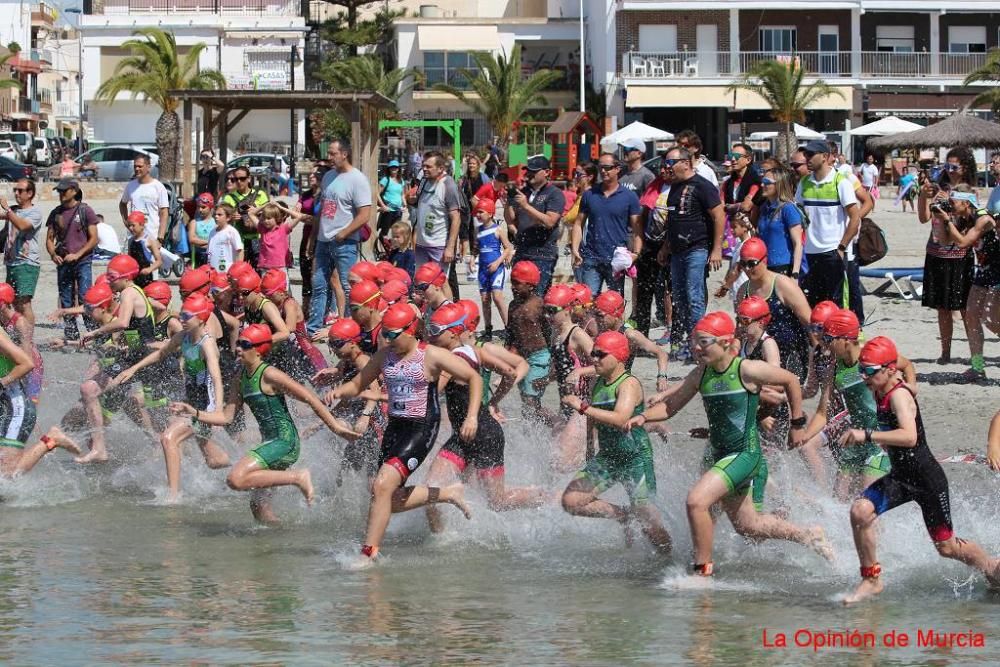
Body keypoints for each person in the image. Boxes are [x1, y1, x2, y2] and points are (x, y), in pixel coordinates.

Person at [631, 312, 833, 576]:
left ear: (726, 342)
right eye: (695, 341)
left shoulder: (745, 369)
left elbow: (791, 380)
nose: (697, 347)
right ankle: (808, 535)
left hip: (743, 455)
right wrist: (643, 417)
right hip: (718, 454)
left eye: (704, 342)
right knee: (748, 526)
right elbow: (671, 406)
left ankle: (702, 571)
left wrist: (796, 425)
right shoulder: (701, 373)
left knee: (696, 502)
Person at [842, 335, 1000, 603]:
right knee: (860, 511)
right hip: (901, 478)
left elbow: (909, 437)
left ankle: (992, 569)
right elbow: (905, 362)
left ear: (888, 370)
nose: (864, 377)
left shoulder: (899, 397)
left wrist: (867, 435)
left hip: (927, 480)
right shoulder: (883, 383)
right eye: (861, 370)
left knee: (947, 548)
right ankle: (871, 579)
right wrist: (913, 381)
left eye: (868, 371)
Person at [327, 303, 479, 567]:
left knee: (383, 484)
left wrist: (472, 416)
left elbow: (474, 378)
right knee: (381, 494)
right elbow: (358, 383)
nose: (388, 339)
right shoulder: (384, 355)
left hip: (421, 427)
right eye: (385, 333)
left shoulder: (431, 355)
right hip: (395, 427)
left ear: (411, 331)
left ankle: (369, 553)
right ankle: (447, 493)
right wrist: (340, 392)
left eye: (394, 334)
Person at [172, 324, 356, 524]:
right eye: (239, 343)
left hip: (284, 443)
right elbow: (226, 418)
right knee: (258, 507)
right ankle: (278, 542)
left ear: (258, 349)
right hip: (270, 443)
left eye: (244, 344)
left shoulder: (270, 374)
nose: (238, 348)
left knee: (236, 479)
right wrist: (194, 412)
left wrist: (335, 427)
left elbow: (310, 398)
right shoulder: (240, 378)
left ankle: (299, 477)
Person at [423, 302, 546, 532]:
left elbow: (430, 392)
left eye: (435, 331)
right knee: (431, 489)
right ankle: (441, 538)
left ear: (453, 332)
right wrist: (493, 402)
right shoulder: (476, 351)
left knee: (497, 501)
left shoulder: (453, 361)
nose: (430, 336)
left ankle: (544, 497)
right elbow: (509, 374)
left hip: (485, 436)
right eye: (429, 329)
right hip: (464, 436)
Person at [105, 294, 230, 501]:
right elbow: (161, 353)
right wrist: (134, 369)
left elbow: (216, 379)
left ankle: (172, 496)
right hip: (191, 400)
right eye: (181, 314)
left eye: (187, 315)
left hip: (205, 406)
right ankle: (237, 472)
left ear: (201, 319)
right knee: (213, 460)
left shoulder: (207, 345)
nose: (181, 318)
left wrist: (216, 411)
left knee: (168, 437)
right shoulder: (183, 337)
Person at [561, 330, 672, 554]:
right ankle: (622, 515)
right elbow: (593, 416)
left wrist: (581, 407)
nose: (594, 358)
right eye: (593, 353)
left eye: (601, 354)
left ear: (618, 356)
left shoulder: (628, 384)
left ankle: (668, 557)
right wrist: (590, 448)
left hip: (635, 459)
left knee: (647, 519)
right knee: (571, 501)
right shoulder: (598, 383)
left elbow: (621, 418)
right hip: (608, 457)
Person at [796, 309, 891, 501]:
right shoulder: (835, 366)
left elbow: (904, 366)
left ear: (846, 340)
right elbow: (823, 411)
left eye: (830, 338)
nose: (826, 343)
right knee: (839, 501)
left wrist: (911, 388)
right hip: (855, 440)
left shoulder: (870, 357)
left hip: (877, 441)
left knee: (866, 505)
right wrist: (804, 437)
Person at [76, 255, 158, 463]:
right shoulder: (133, 292)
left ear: (126, 276)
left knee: (90, 390)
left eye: (112, 276)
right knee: (104, 396)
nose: (109, 280)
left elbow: (122, 323)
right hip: (134, 357)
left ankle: (100, 448)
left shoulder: (129, 292)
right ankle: (102, 447)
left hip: (142, 359)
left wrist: (93, 333)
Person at [660, 146, 725, 361]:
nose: (666, 168)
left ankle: (700, 345)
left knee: (694, 296)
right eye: (665, 163)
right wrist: (665, 246)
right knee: (679, 298)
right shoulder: (675, 188)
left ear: (686, 163)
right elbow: (673, 220)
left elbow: (718, 216)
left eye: (670, 163)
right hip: (677, 251)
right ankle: (690, 341)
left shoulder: (703, 186)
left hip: (697, 247)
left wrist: (716, 249)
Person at [933, 187, 998, 383]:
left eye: (953, 202)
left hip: (998, 272)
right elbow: (945, 242)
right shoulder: (962, 219)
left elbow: (962, 243)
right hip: (985, 271)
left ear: (966, 203)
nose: (950, 206)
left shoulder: (983, 219)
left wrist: (947, 220)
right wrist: (940, 220)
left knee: (993, 321)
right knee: (971, 316)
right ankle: (977, 367)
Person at [307, 139, 372, 332]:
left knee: (348, 285)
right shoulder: (328, 177)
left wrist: (343, 233)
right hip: (323, 240)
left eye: (333, 153)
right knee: (318, 284)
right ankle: (314, 328)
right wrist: (313, 238)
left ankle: (351, 327)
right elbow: (321, 211)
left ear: (344, 154)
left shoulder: (357, 179)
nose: (330, 157)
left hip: (344, 242)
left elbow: (365, 214)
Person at [795, 139, 861, 310]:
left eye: (810, 155)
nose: (806, 158)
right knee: (815, 302)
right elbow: (798, 214)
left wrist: (841, 247)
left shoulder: (841, 182)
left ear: (824, 156)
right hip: (810, 252)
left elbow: (855, 218)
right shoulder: (804, 183)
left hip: (833, 251)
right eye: (805, 155)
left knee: (837, 302)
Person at [735, 238, 812, 381]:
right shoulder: (742, 291)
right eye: (743, 264)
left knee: (782, 398)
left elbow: (809, 321)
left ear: (765, 260)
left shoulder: (783, 285)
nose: (747, 269)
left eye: (752, 263)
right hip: (758, 354)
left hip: (790, 353)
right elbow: (740, 329)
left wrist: (820, 354)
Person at [917, 183, 976, 366]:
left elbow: (956, 241)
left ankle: (977, 358)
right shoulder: (943, 202)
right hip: (937, 257)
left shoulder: (969, 213)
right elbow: (924, 218)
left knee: (967, 311)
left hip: (959, 260)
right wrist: (925, 197)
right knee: (942, 308)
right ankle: (945, 353)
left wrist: (946, 219)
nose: (949, 202)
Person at [571, 153, 642, 296]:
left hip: (616, 259)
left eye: (607, 167)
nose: (603, 171)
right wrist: (575, 249)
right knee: (587, 303)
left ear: (617, 169)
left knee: (614, 306)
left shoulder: (629, 196)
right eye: (601, 167)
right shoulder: (589, 195)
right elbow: (578, 223)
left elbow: (637, 229)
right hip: (591, 257)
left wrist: (635, 253)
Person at [45, 178, 99, 341]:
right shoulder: (56, 213)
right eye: (59, 191)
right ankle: (71, 335)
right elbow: (49, 239)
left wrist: (77, 254)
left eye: (64, 190)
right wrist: (53, 254)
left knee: (86, 297)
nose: (61, 194)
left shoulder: (85, 211)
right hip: (64, 262)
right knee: (66, 299)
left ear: (74, 191)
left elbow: (94, 238)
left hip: (82, 261)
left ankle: (92, 334)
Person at [505, 155, 566, 295]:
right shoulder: (524, 191)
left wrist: (526, 206)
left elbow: (550, 221)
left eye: (534, 171)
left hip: (542, 254)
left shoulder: (555, 193)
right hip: (522, 251)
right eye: (528, 170)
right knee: (519, 297)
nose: (529, 174)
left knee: (538, 298)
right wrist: (509, 202)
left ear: (546, 172)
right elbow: (512, 219)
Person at [505, 261, 552, 422]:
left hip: (540, 357)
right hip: (522, 358)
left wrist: (553, 361)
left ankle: (552, 424)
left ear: (531, 286)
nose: (513, 286)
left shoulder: (539, 305)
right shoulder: (512, 306)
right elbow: (510, 333)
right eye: (512, 282)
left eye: (518, 283)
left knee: (530, 400)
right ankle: (539, 429)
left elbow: (549, 332)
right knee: (526, 399)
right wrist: (506, 356)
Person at [635, 158, 674, 342]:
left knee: (672, 291)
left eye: (668, 166)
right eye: (662, 166)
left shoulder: (681, 187)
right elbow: (642, 214)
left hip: (674, 246)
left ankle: (674, 333)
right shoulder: (654, 186)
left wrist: (666, 247)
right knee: (645, 291)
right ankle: (642, 335)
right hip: (650, 244)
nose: (664, 170)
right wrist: (640, 243)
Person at [0, 178, 43, 327]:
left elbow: (22, 225)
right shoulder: (14, 210)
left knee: (24, 303)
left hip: (27, 264)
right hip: (12, 263)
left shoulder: (35, 212)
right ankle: (18, 334)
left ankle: (28, 340)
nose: (16, 193)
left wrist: (7, 209)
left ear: (30, 193)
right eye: (15, 190)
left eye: (20, 190)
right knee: (10, 302)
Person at [754, 166, 804, 278]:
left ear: (779, 184)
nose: (762, 185)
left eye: (767, 182)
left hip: (783, 267)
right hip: (764, 266)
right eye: (762, 181)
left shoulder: (788, 209)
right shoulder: (764, 207)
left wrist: (795, 274)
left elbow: (798, 243)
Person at [474, 199, 513, 338]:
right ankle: (488, 329)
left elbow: (508, 247)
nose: (478, 214)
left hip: (496, 268)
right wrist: (472, 259)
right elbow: (476, 248)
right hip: (483, 270)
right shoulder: (478, 230)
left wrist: (498, 262)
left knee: (497, 297)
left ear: (490, 213)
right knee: (485, 300)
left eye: (481, 212)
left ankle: (509, 328)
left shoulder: (498, 230)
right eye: (477, 212)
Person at [220, 166, 270, 267]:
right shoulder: (229, 197)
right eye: (235, 179)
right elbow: (220, 219)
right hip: (238, 240)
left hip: (259, 238)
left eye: (242, 179)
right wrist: (230, 218)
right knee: (238, 273)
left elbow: (270, 214)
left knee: (259, 272)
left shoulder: (260, 194)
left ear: (249, 178)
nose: (239, 182)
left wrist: (257, 211)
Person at [721, 143, 763, 258]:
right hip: (732, 232)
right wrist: (733, 206)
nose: (733, 159)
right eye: (730, 156)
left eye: (737, 156)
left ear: (748, 159)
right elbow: (721, 207)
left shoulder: (756, 180)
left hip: (750, 233)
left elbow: (746, 206)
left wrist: (730, 207)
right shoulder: (727, 183)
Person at [120, 154, 169, 243]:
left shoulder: (158, 186)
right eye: (135, 166)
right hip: (134, 238)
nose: (137, 169)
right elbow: (122, 204)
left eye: (140, 166)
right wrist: (127, 222)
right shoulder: (131, 186)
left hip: (152, 237)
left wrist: (160, 236)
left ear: (148, 167)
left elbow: (164, 212)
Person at [248, 202, 303, 276]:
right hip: (265, 266)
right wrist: (265, 205)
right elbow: (251, 213)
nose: (265, 221)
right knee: (266, 287)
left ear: (277, 218)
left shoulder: (283, 229)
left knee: (281, 287)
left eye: (269, 218)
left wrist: (281, 208)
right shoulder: (262, 229)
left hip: (280, 267)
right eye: (264, 218)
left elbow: (298, 216)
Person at [714, 212, 752, 307]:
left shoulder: (747, 245)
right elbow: (733, 265)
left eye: (734, 227)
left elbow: (738, 268)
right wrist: (726, 279)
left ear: (745, 228)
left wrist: (726, 287)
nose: (731, 230)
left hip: (744, 287)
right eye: (730, 227)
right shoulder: (739, 244)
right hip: (738, 287)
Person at [298, 170, 323, 317]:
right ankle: (306, 308)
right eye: (310, 175)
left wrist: (308, 218)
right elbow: (297, 213)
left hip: (321, 238)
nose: (311, 176)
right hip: (307, 236)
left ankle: (319, 310)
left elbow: (316, 219)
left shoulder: (325, 195)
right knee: (305, 273)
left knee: (318, 275)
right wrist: (307, 217)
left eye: (315, 174)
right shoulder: (306, 195)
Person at [376, 160, 406, 258]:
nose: (394, 169)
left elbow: (402, 194)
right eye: (392, 167)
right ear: (389, 169)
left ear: (398, 169)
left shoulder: (401, 180)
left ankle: (393, 251)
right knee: (384, 233)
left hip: (398, 210)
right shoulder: (385, 179)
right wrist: (383, 206)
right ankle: (387, 250)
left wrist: (404, 205)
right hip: (388, 210)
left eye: (396, 167)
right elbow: (377, 193)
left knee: (396, 232)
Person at [207, 204, 244, 272]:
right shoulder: (212, 232)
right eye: (215, 214)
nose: (216, 216)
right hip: (212, 271)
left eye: (219, 214)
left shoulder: (232, 232)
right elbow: (209, 252)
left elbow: (240, 251)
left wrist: (237, 269)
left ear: (228, 217)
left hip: (227, 271)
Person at [186, 192, 215, 268]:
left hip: (212, 257)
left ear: (211, 207)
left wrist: (199, 241)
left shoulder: (215, 223)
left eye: (203, 207)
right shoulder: (194, 222)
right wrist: (210, 243)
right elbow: (192, 239)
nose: (200, 210)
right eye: (198, 207)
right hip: (197, 257)